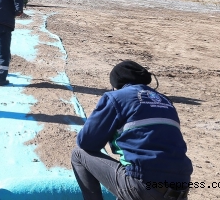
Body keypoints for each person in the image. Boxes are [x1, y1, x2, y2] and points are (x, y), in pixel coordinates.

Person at [71, 60, 192, 200]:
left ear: (116, 84)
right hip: (181, 188)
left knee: (78, 154)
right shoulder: (166, 101)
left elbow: (86, 142)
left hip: (142, 185)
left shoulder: (117, 97)